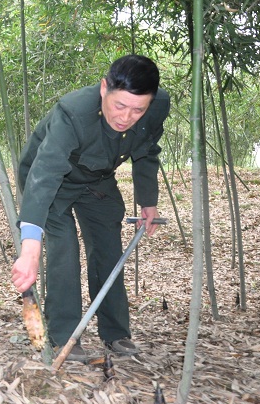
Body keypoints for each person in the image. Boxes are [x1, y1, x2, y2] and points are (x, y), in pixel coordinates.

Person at [11, 54, 169, 361]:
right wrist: (30, 251)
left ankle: (116, 333)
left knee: (108, 248)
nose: (126, 117)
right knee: (64, 249)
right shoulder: (72, 112)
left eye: (138, 109)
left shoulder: (158, 106)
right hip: (49, 179)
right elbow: (45, 175)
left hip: (96, 178)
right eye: (119, 105)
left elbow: (146, 151)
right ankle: (65, 337)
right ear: (103, 89)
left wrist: (148, 201)